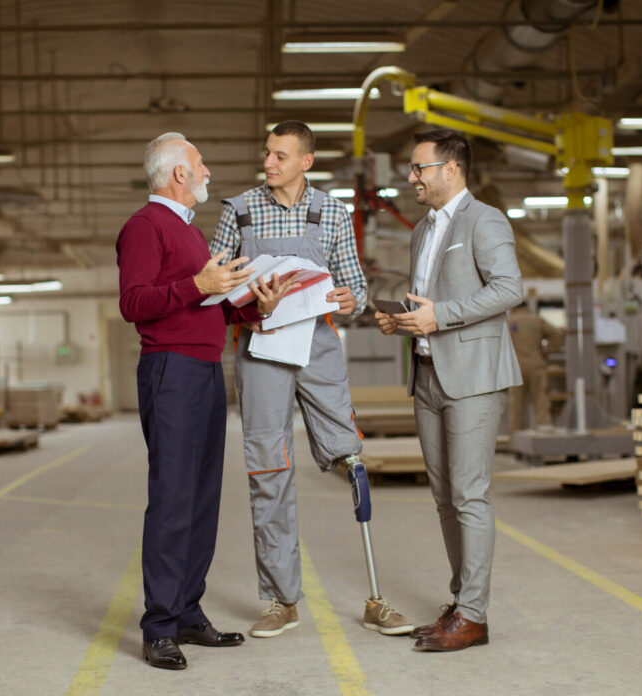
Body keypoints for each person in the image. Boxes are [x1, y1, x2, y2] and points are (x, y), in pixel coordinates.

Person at [210, 120, 412, 639]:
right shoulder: (239, 210)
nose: (269, 162)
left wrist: (353, 299)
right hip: (260, 349)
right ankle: (281, 600)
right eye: (267, 153)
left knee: (350, 456)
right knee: (268, 469)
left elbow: (355, 287)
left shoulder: (331, 211)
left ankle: (376, 598)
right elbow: (215, 283)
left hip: (318, 345)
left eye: (281, 155)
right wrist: (250, 299)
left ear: (306, 162)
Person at [116, 132, 296, 670]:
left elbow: (207, 308)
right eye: (201, 165)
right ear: (178, 174)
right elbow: (134, 303)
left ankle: (188, 612)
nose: (209, 173)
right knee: (173, 497)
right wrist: (198, 282)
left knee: (201, 498)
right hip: (169, 369)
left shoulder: (189, 233)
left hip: (203, 369)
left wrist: (254, 307)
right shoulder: (146, 227)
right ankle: (159, 627)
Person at [374, 128, 523, 652]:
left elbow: (509, 289)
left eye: (420, 168)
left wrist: (439, 318)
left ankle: (475, 616)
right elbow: (430, 300)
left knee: (470, 496)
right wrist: (404, 319)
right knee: (445, 500)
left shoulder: (485, 220)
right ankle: (462, 604)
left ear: (451, 169)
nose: (412, 177)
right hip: (429, 375)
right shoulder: (422, 230)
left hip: (474, 377)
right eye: (413, 169)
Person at [508, 300, 564, 433]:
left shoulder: (508, 322)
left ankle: (516, 442)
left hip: (516, 368)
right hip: (536, 366)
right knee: (541, 404)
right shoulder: (537, 320)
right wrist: (547, 351)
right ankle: (544, 440)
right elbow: (558, 335)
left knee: (516, 406)